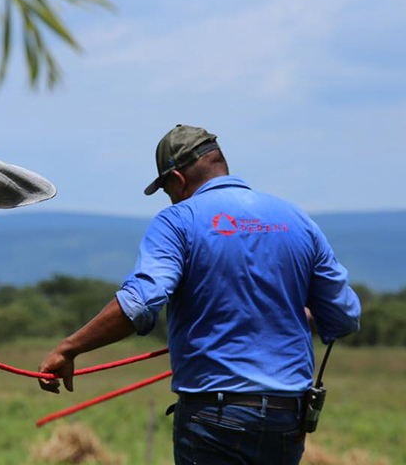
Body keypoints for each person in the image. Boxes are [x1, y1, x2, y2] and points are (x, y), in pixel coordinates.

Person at [37, 124, 361, 465]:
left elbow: (141, 303)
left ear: (177, 180)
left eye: (167, 190)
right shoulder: (297, 218)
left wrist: (69, 348)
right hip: (286, 418)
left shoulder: (178, 220)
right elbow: (344, 316)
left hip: (214, 417)